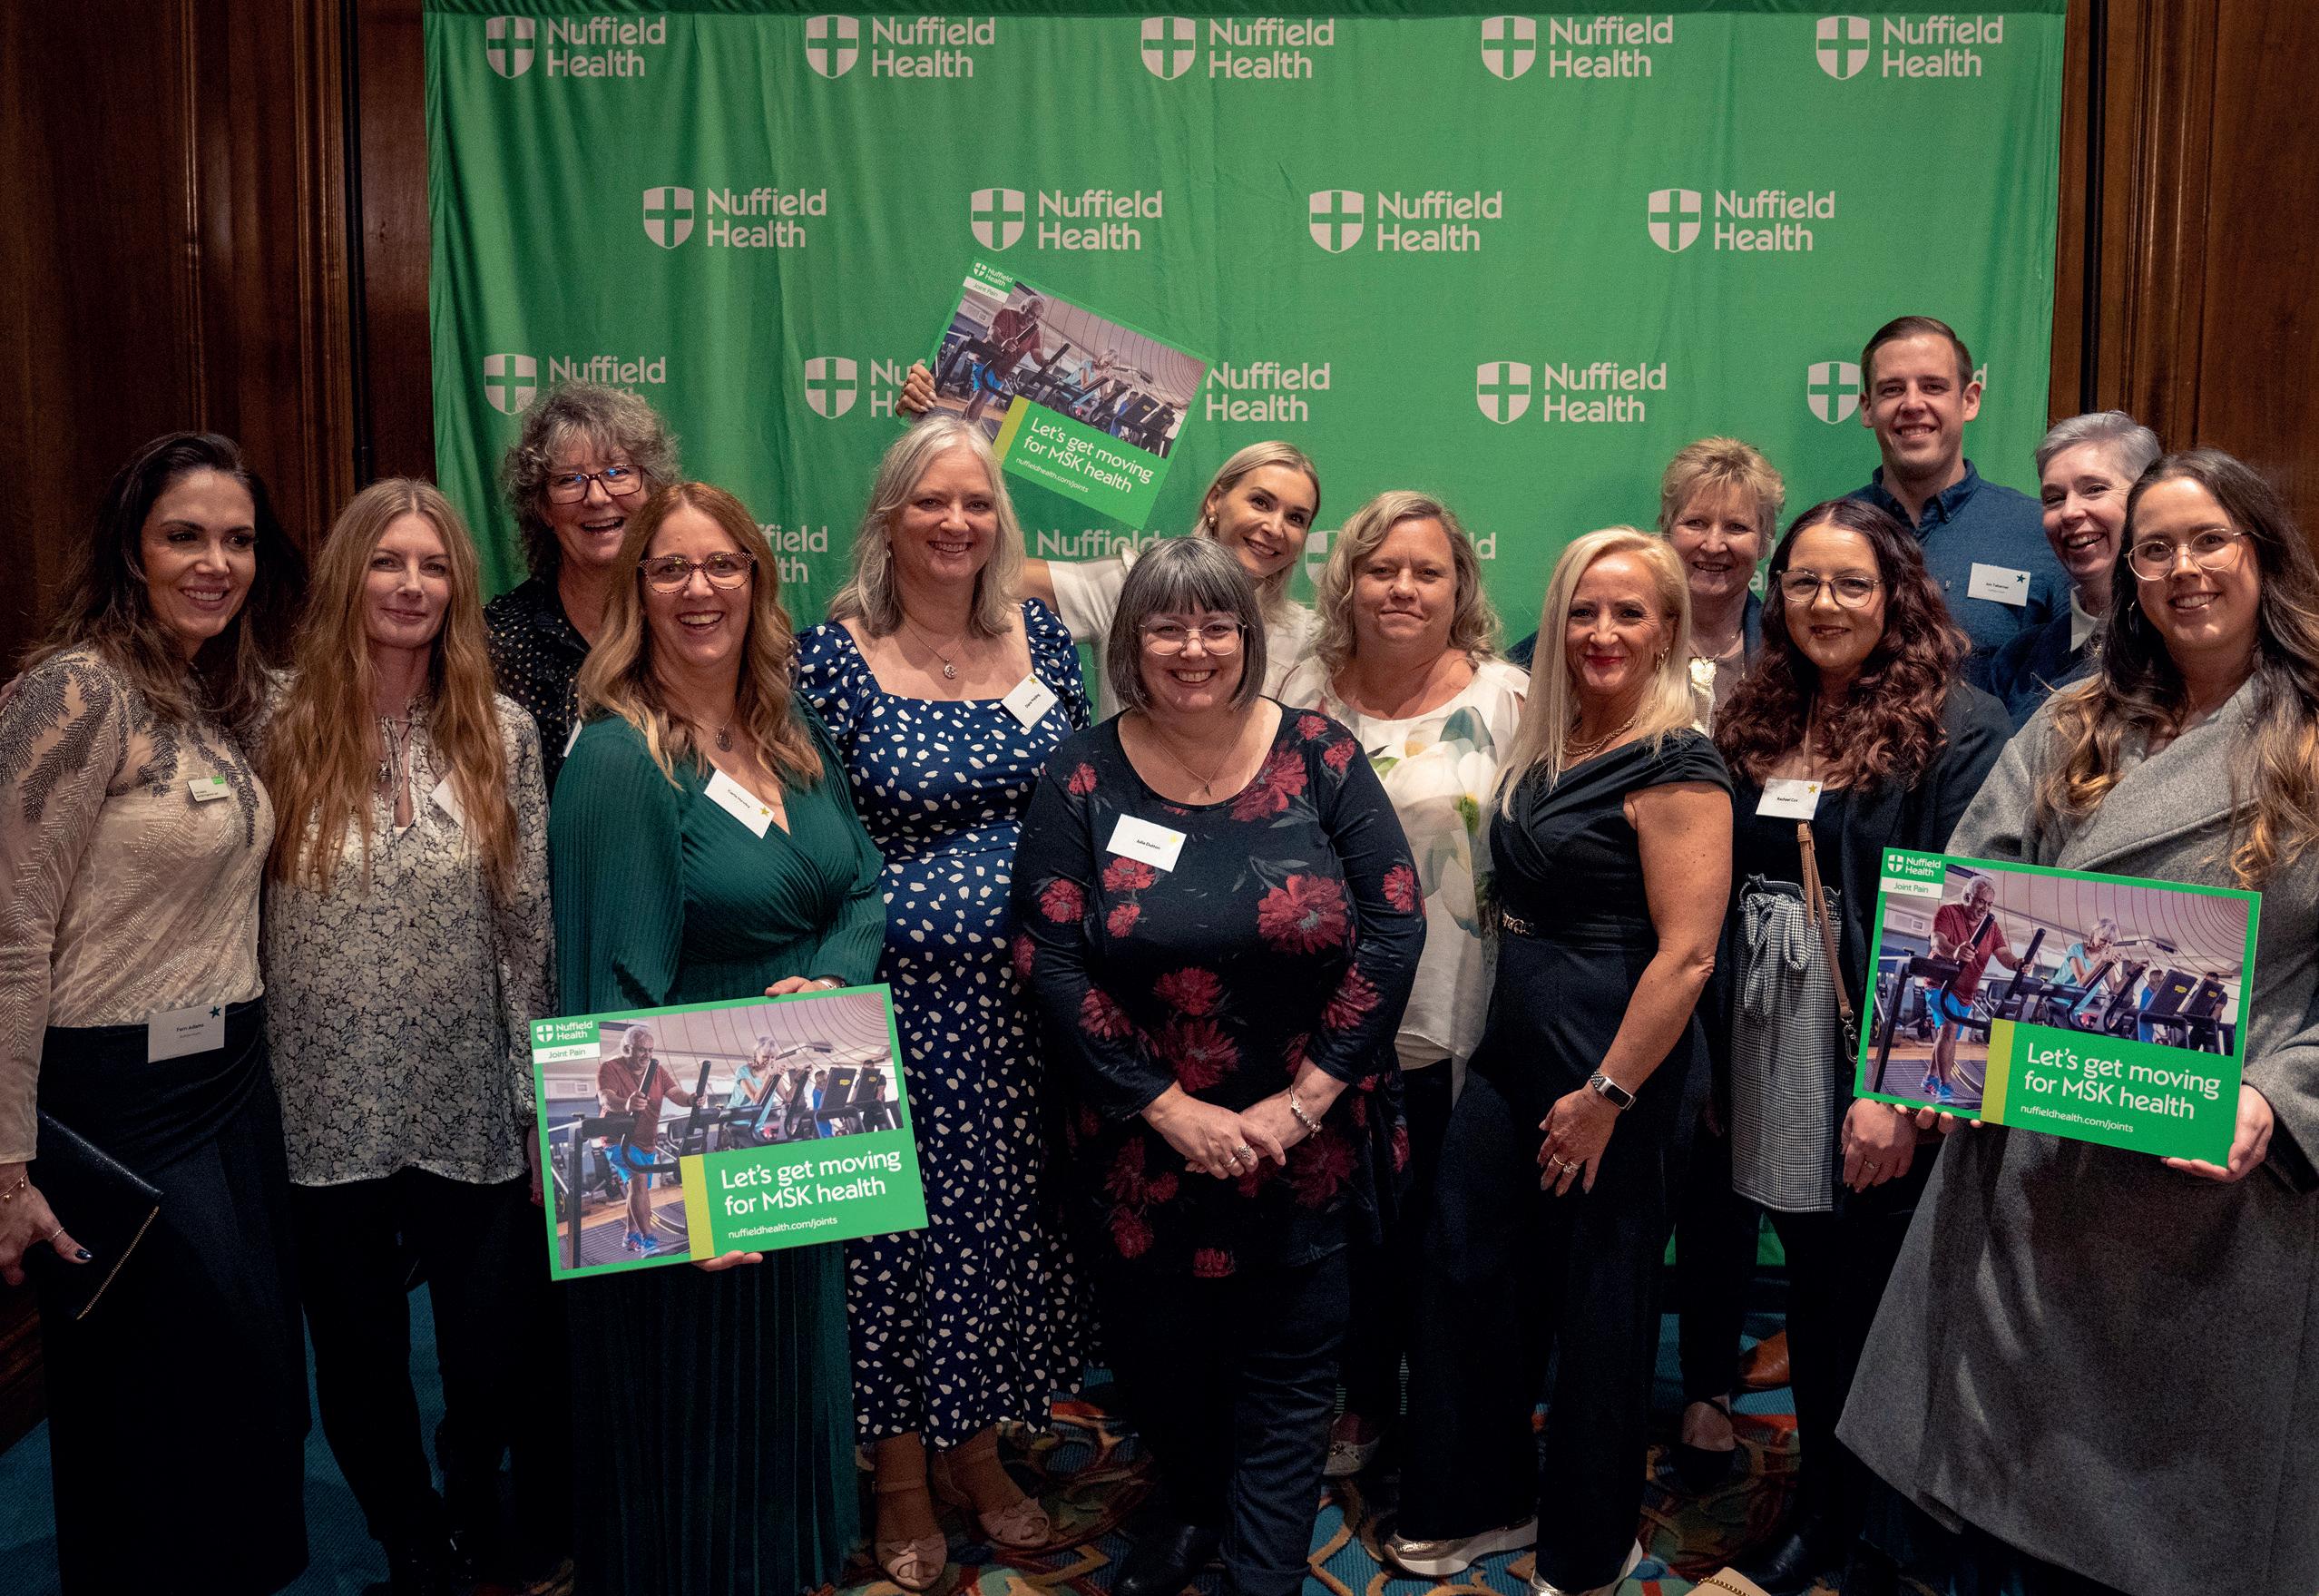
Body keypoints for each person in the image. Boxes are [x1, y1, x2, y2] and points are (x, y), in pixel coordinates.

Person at [1841, 448, 2319, 1596]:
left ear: (2262, 554)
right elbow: (1967, 906)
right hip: (2036, 1184)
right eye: (2156, 549)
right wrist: (1912, 1070)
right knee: (2005, 1536)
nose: (2183, 569)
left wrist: (2280, 1095)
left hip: (2219, 1202)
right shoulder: (2075, 723)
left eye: (2210, 540)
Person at [1012, 537, 1424, 1596]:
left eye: (1216, 625)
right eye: (1166, 626)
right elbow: (1049, 955)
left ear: (1248, 636)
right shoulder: (1080, 775)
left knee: (1291, 1374)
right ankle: (1195, 1502)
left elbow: (1393, 926)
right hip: (1141, 1154)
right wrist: (1166, 1108)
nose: (1193, 649)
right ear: (1131, 643)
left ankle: (1263, 1568)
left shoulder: (1321, 755)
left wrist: (1307, 1098)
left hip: (1305, 1149)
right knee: (1161, 1366)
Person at [549, 479, 886, 1596]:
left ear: (757, 578)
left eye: (722, 565)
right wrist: (662, 1202)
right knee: (694, 1438)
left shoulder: (792, 727)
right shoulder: (618, 760)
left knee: (785, 1403)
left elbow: (863, 886)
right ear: (637, 591)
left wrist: (830, 979)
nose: (700, 589)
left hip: (799, 1111)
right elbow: (605, 989)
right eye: (670, 568)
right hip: (689, 1146)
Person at [1389, 530, 1733, 1596]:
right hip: (1513, 1049)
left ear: (1667, 630)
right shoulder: (1552, 735)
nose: (1602, 631)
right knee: (1464, 1266)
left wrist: (1608, 1095)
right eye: (1584, 610)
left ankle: (1590, 1545)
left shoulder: (1680, 761)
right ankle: (1479, 1500)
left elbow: (1688, 956)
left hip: (1617, 1067)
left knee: (1600, 1305)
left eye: (1629, 612)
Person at [0, 432, 308, 1594]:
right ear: (131, 548)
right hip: (116, 1106)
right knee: (154, 1410)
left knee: (248, 1395)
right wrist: (5, 1165)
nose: (215, 564)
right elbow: (9, 934)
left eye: (237, 540)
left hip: (229, 1090)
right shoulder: (75, 691)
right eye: (185, 536)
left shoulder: (212, 693)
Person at [1692, 498, 2009, 1596]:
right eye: (1805, 581)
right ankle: (1826, 1513)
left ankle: (1883, 1537)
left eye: (1852, 583)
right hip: (1772, 1045)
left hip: (1882, 1057)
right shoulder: (1760, 709)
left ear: (1897, 595)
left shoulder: (1958, 727)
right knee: (1820, 1290)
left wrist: (1903, 1091)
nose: (1825, 603)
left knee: (1881, 1306)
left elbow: (1967, 916)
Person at [795, 416, 1090, 1589]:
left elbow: (1082, 792)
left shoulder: (1044, 640)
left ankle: (976, 1447)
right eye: (930, 500)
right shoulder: (833, 656)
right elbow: (814, 830)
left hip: (1025, 1005)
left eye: (975, 501)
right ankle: (901, 1474)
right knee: (894, 1237)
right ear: (888, 515)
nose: (955, 521)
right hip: (893, 1001)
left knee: (994, 1227)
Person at [259, 477, 553, 1594]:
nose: (411, 584)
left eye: (433, 566)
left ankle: (473, 1480)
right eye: (388, 561)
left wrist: (534, 1100)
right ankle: (408, 1531)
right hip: (319, 1098)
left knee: (491, 1349)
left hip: (466, 1093)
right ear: (349, 576)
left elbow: (526, 931)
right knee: (360, 1351)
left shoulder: (501, 733)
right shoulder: (273, 725)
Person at [1275, 491, 1525, 1477]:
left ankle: (1452, 1419)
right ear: (1347, 581)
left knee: (1448, 1224)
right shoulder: (1298, 693)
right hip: (1325, 1012)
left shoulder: (1508, 699)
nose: (1403, 588)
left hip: (1458, 1002)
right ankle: (1366, 1396)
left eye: (1427, 570)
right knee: (1350, 1223)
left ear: (1461, 584)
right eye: (1381, 568)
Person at [898, 365, 1325, 710]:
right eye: (1261, 502)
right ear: (1215, 500)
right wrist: (938, 433)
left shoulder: (1308, 636)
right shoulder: (1125, 585)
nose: (1275, 528)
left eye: (1297, 518)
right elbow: (976, 573)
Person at [485, 379, 681, 792]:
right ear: (542, 509)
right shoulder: (496, 643)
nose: (596, 496)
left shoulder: (692, 619)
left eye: (618, 472)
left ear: (653, 491)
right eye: (569, 480)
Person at [1847, 315, 2064, 687]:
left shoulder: (2040, 532)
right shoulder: (1830, 533)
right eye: (1892, 389)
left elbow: (2073, 687)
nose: (1912, 404)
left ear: (1970, 400)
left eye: (1933, 387)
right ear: (1867, 408)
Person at [1506, 436, 1783, 723]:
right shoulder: (1593, 635)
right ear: (1666, 530)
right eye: (1696, 523)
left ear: (1764, 542)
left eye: (1736, 527)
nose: (1713, 545)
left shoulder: (1786, 650)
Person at [1988, 412, 2163, 728]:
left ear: (2147, 497)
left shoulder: (2182, 649)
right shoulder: (2017, 660)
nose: (2069, 512)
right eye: (2054, 498)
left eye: (2094, 489)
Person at [594, 1024, 698, 1253]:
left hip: (646, 1141)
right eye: (642, 1050)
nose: (647, 1055)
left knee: (638, 1189)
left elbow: (674, 1093)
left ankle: (630, 1233)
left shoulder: (656, 1069)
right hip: (618, 1140)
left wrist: (691, 1100)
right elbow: (605, 1098)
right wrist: (626, 1103)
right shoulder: (610, 1067)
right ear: (627, 1049)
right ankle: (649, 1242)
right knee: (639, 1180)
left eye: (651, 1050)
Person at [1923, 874, 2020, 1102]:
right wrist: (1954, 951)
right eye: (1981, 902)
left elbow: (2003, 954)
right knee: (1949, 1029)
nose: (1985, 908)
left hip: (1966, 993)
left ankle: (1930, 1077)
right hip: (1940, 984)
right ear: (1967, 897)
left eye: (1989, 904)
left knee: (1948, 1034)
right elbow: (1937, 941)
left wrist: (2017, 964)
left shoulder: (1991, 927)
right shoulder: (1948, 912)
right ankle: (1945, 1088)